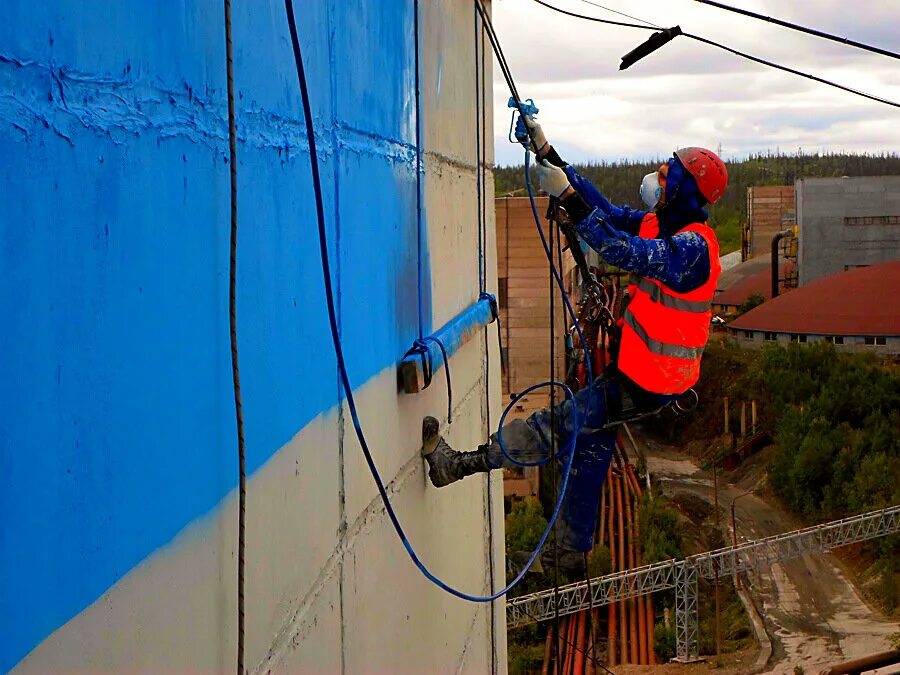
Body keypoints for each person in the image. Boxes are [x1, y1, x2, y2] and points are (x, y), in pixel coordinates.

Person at [422, 113, 727, 574]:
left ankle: (457, 466)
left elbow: (619, 250)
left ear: (687, 191)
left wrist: (565, 195)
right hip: (638, 371)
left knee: (557, 425)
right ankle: (567, 555)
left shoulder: (693, 249)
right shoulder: (657, 226)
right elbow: (601, 211)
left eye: (669, 176)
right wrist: (549, 154)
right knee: (589, 444)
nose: (658, 181)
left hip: (653, 382)